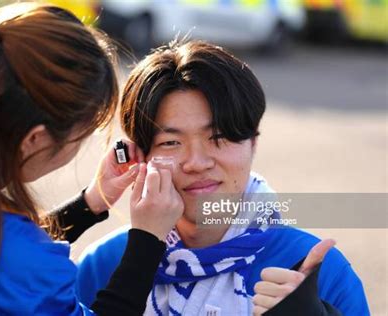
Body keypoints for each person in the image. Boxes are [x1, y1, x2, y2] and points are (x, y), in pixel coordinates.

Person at [0, 3, 184, 315]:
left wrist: (92, 202)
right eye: (81, 136)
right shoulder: (22, 262)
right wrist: (148, 239)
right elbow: (13, 265)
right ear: (35, 139)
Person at [75, 41, 370, 315]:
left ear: (253, 142)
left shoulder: (315, 271)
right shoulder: (106, 264)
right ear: (141, 157)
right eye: (171, 142)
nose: (197, 163)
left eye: (219, 136)